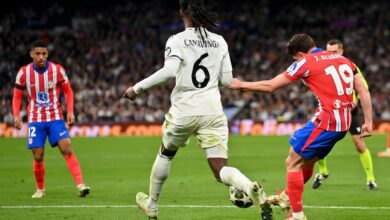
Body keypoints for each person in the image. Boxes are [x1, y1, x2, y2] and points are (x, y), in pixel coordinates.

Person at [122, 0, 272, 219]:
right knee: (220, 169)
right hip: (212, 110)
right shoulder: (219, 41)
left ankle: (152, 206)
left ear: (182, 11)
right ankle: (249, 187)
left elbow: (170, 71)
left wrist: (137, 88)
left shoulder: (177, 40)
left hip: (184, 109)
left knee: (166, 153)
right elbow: (228, 80)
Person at [230, 34, 372, 220]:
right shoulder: (344, 60)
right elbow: (362, 89)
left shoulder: (306, 62)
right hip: (343, 122)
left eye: (294, 59)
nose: (295, 62)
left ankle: (296, 215)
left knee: (293, 161)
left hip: (328, 121)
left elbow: (271, 86)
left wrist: (241, 84)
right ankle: (287, 197)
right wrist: (368, 121)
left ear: (299, 54)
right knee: (308, 161)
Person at [12, 40, 90, 198]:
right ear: (31, 54)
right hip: (35, 118)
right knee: (38, 155)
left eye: (44, 53)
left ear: (47, 54)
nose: (41, 57)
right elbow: (17, 96)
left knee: (67, 148)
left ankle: (81, 185)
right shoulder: (23, 72)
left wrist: (70, 111)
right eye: (38, 53)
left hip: (55, 117)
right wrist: (16, 114)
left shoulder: (57, 70)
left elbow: (68, 91)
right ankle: (40, 189)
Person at [311, 39, 377, 190]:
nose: (331, 54)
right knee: (319, 143)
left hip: (350, 111)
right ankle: (323, 172)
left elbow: (362, 87)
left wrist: (354, 101)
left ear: (341, 51)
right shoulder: (323, 66)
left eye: (334, 52)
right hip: (330, 111)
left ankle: (371, 179)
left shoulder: (350, 65)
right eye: (328, 52)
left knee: (360, 145)